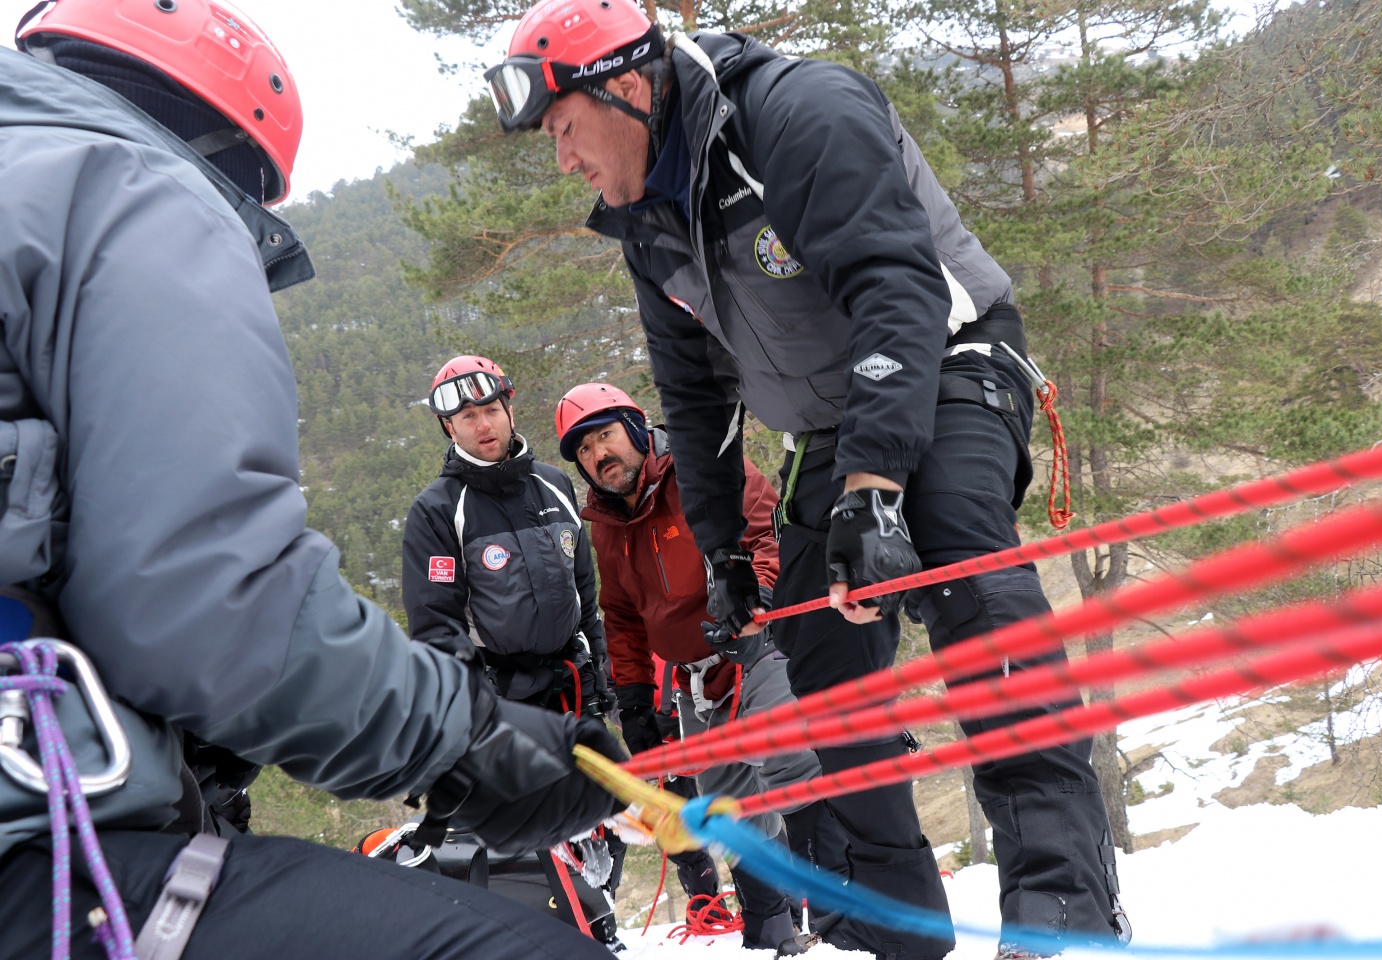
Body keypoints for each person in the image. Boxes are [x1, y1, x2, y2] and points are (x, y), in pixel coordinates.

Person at [484, 4, 1133, 958]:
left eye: (563, 130)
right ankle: (893, 924)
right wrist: (718, 553)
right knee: (817, 649)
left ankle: (1062, 910)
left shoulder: (797, 112)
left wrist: (875, 487)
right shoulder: (646, 220)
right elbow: (694, 397)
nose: (562, 161)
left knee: (957, 564)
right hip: (837, 419)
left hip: (947, 356)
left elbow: (896, 289)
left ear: (624, 86)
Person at [0, 3, 624, 958]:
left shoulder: (33, 173)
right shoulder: (134, 187)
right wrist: (469, 743)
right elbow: (211, 606)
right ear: (231, 153)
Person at [555, 381, 849, 951]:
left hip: (758, 644)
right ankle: (772, 931)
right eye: (584, 451)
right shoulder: (607, 526)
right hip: (693, 680)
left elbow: (769, 531)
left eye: (605, 437)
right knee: (727, 804)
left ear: (637, 429)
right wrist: (636, 700)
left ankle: (839, 920)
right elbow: (621, 617)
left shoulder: (706, 466)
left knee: (789, 764)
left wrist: (754, 596)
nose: (598, 456)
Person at [402, 355, 625, 946]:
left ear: (509, 408)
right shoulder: (437, 510)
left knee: (600, 813)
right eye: (467, 417)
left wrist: (600, 672)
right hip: (500, 696)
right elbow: (436, 623)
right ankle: (556, 936)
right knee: (530, 822)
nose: (483, 426)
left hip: (570, 682)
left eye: (491, 410)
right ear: (449, 428)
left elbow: (585, 589)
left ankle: (600, 921)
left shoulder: (555, 483)